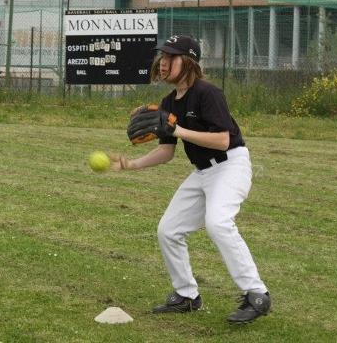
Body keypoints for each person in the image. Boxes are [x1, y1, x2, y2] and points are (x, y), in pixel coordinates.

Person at [112, 34, 271, 324]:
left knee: (218, 222)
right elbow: (166, 151)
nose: (162, 63)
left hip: (230, 166)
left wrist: (179, 131)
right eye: (162, 57)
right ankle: (187, 296)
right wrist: (131, 165)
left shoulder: (207, 93)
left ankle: (256, 294)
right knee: (168, 230)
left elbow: (223, 140)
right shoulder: (169, 102)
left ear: (187, 61)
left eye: (170, 57)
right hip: (203, 172)